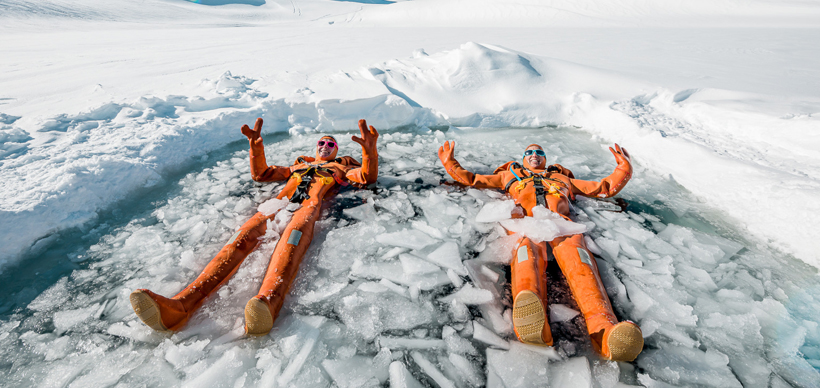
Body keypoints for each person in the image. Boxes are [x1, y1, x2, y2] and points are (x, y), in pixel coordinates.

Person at [130, 118, 379, 335]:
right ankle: (181, 305)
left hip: (307, 208)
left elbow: (366, 177)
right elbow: (262, 174)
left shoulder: (341, 168)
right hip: (278, 204)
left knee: (291, 241)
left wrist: (370, 152)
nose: (325, 147)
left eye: (331, 145)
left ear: (337, 151)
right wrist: (255, 146)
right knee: (240, 238)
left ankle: (269, 302)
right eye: (322, 143)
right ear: (315, 148)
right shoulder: (299, 165)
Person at [437, 141, 643, 362]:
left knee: (583, 269)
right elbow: (472, 179)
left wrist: (624, 168)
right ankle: (535, 327)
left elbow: (604, 188)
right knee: (527, 263)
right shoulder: (508, 176)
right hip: (527, 225)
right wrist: (449, 162)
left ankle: (605, 332)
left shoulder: (564, 180)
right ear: (524, 158)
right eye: (530, 153)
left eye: (539, 153)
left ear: (544, 159)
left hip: (563, 227)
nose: (534, 155)